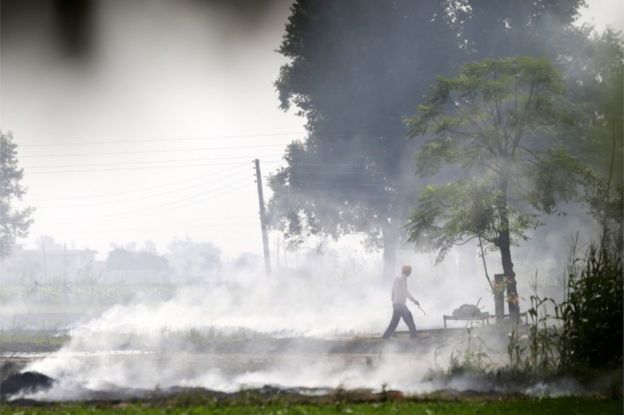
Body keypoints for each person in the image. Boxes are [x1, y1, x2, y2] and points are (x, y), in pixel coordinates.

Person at [382, 265, 419, 339]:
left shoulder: (397, 277)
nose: (410, 273)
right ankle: (413, 336)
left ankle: (385, 336)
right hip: (400, 305)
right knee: (409, 319)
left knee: (394, 322)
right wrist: (414, 301)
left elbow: (393, 290)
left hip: (396, 304)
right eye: (410, 271)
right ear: (407, 271)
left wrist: (393, 299)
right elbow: (405, 292)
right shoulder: (403, 278)